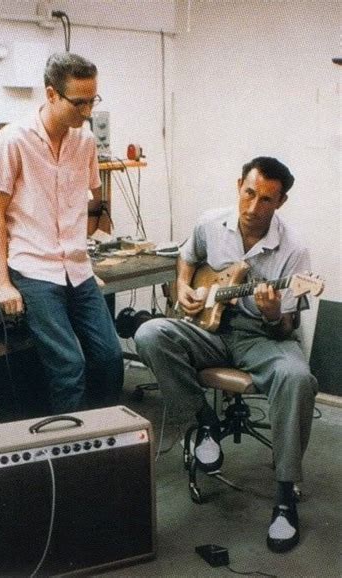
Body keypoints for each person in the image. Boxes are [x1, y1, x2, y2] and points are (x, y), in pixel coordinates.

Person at [135, 157, 318, 553]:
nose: (253, 208)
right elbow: (186, 256)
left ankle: (285, 496)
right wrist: (185, 286)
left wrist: (273, 312)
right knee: (149, 332)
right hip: (210, 330)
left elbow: (285, 326)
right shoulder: (210, 224)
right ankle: (203, 422)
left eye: (266, 200)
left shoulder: (295, 252)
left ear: (281, 202)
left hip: (263, 337)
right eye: (249, 194)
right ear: (239, 186)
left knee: (298, 378)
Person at [0, 52, 123, 414]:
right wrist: (2, 282)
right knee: (69, 368)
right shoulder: (12, 141)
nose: (88, 111)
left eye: (93, 100)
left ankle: (109, 448)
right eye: (79, 103)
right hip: (35, 271)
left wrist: (87, 258)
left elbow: (89, 203)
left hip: (77, 269)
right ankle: (70, 461)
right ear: (50, 94)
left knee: (109, 358)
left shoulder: (85, 141)